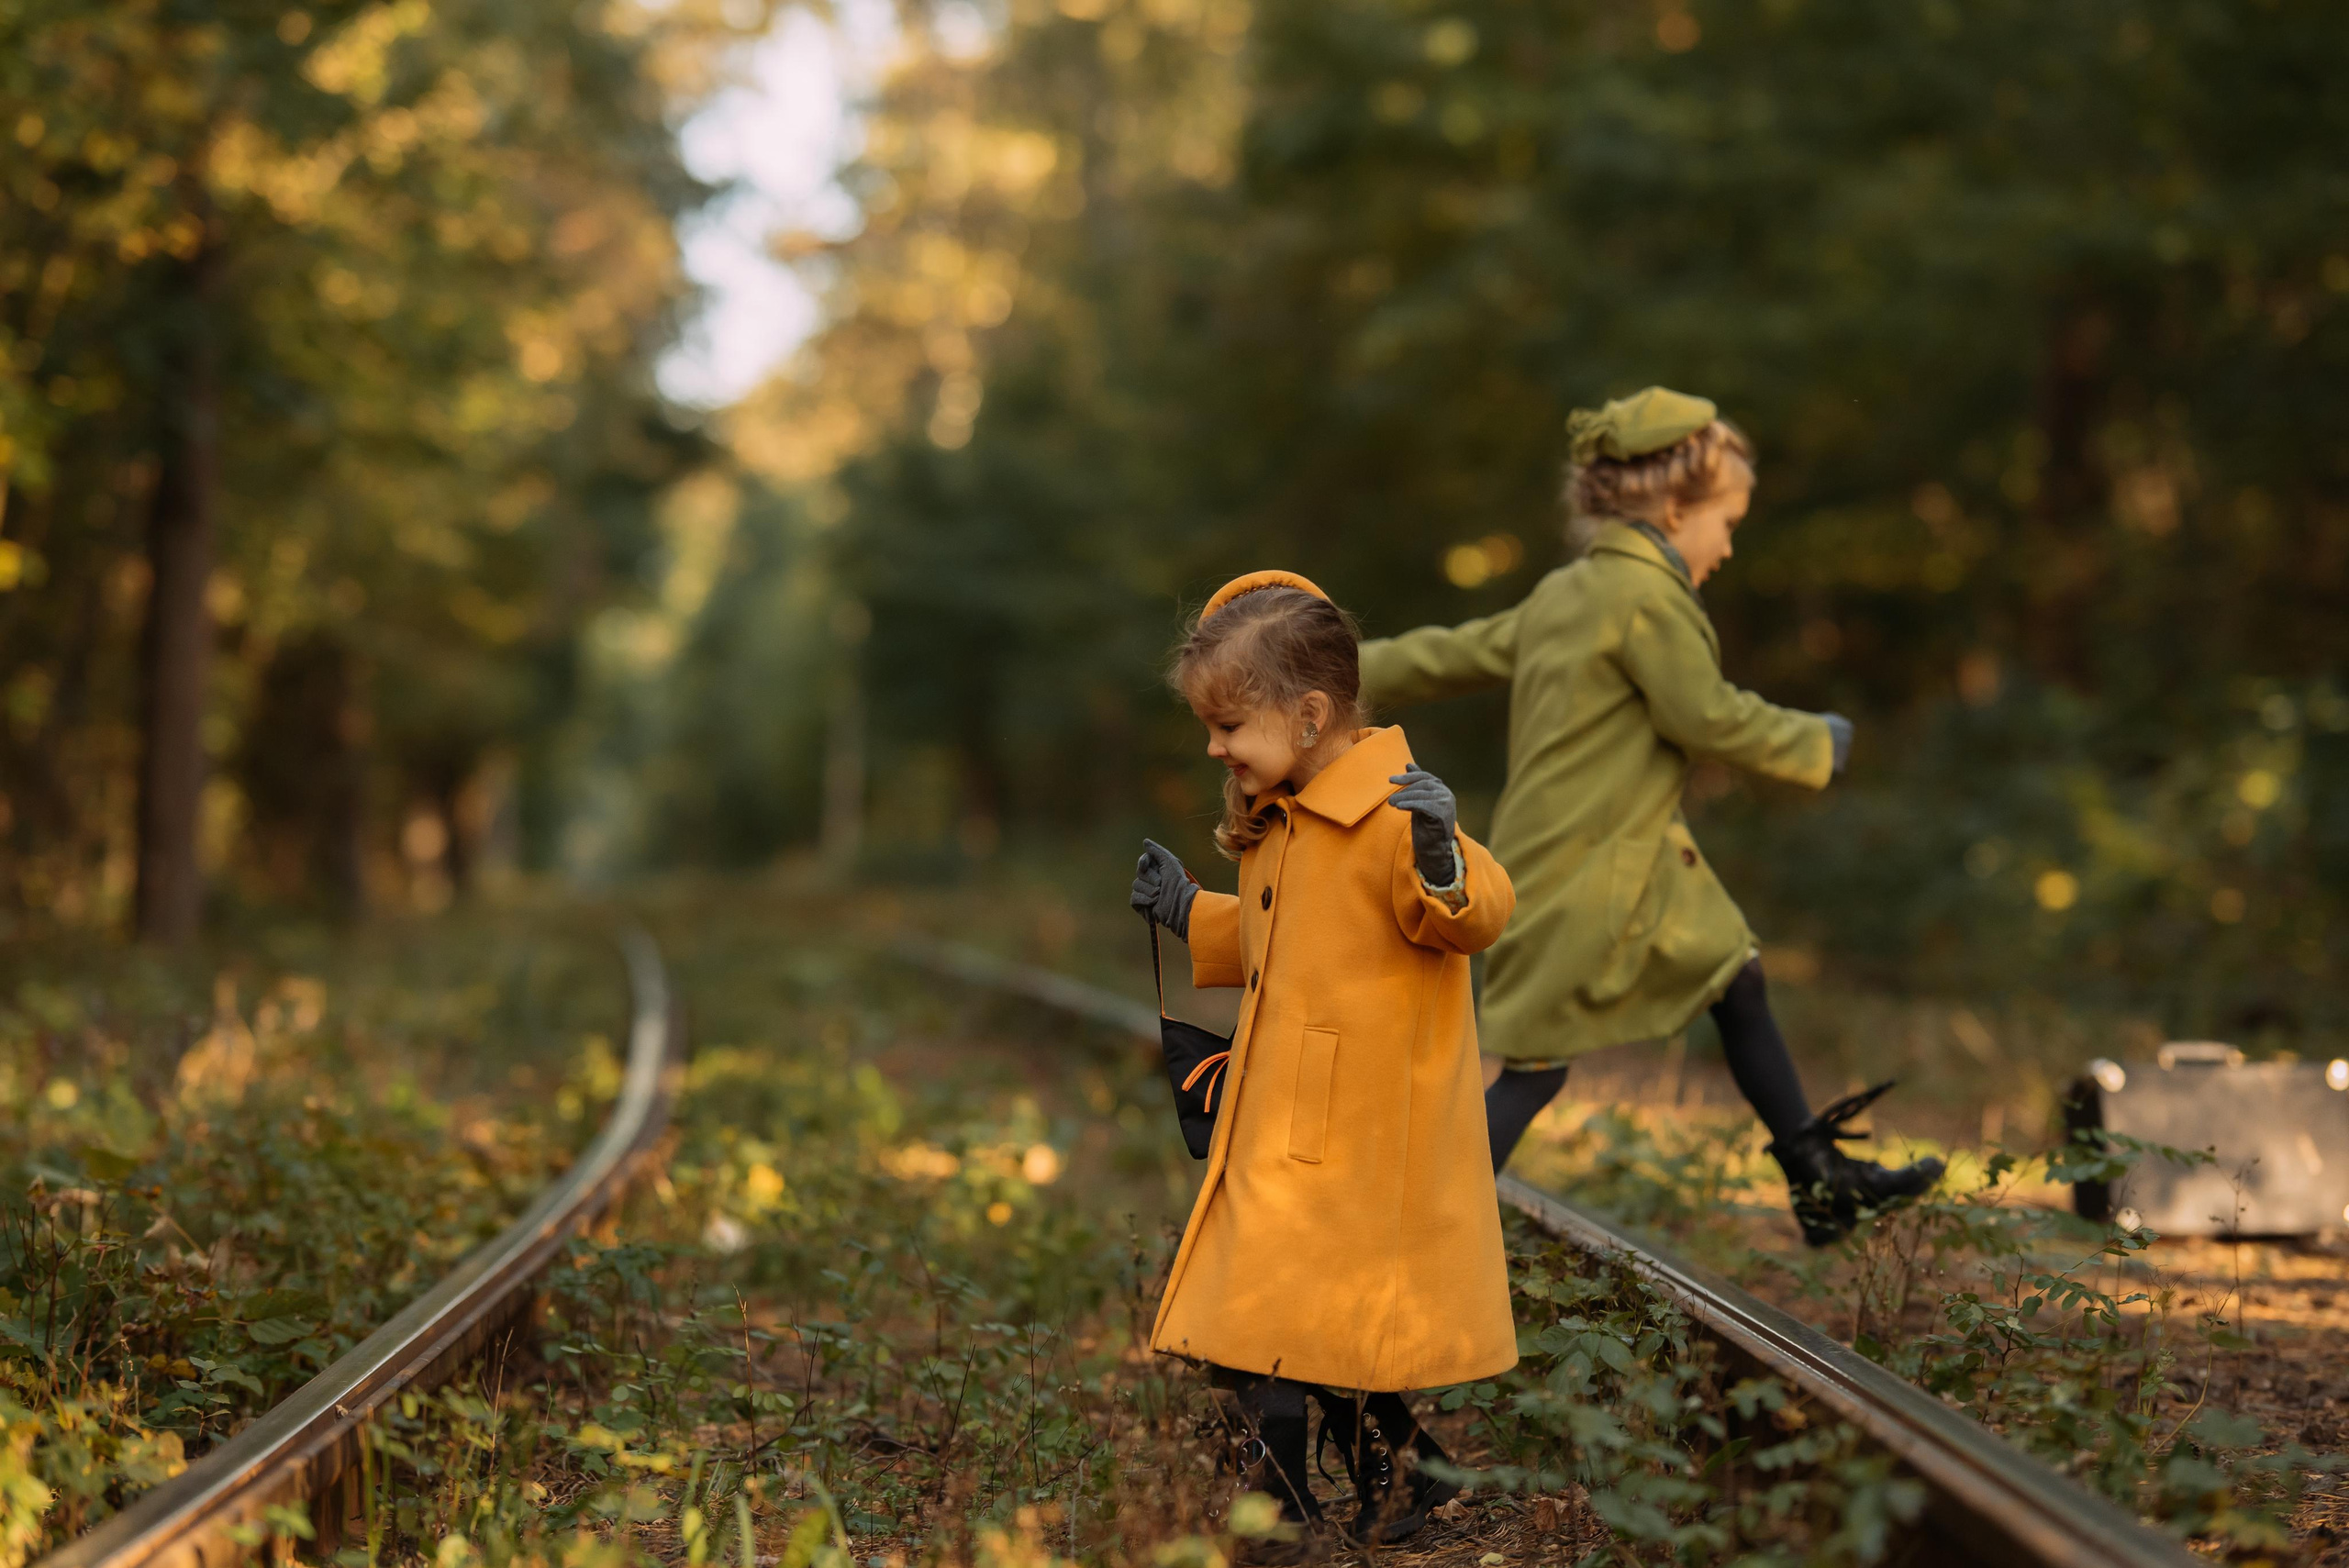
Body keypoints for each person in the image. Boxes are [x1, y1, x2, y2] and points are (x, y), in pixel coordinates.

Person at [1357, 388, 1943, 1246]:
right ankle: (1404, 1242)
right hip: (1584, 871)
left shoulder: (1572, 590)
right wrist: (1813, 739)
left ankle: (1819, 1180)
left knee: (1737, 979)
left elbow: (1449, 652)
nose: (1730, 543)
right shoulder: (1647, 598)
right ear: (1676, 509)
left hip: (1625, 862)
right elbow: (1703, 715)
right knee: (1533, 1072)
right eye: (1727, 521)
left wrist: (1340, 664)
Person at [1129, 570, 1517, 1557]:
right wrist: (1185, 908)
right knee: (1281, 1320)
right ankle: (1400, 1465)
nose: (1214, 745)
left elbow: (1475, 908)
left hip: (1358, 1129)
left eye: (1228, 724)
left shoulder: (1391, 813)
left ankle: (1282, 1510)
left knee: (1263, 1319)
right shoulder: (1286, 812)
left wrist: (1440, 853)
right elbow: (1282, 943)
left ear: (1308, 715)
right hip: (1288, 1114)